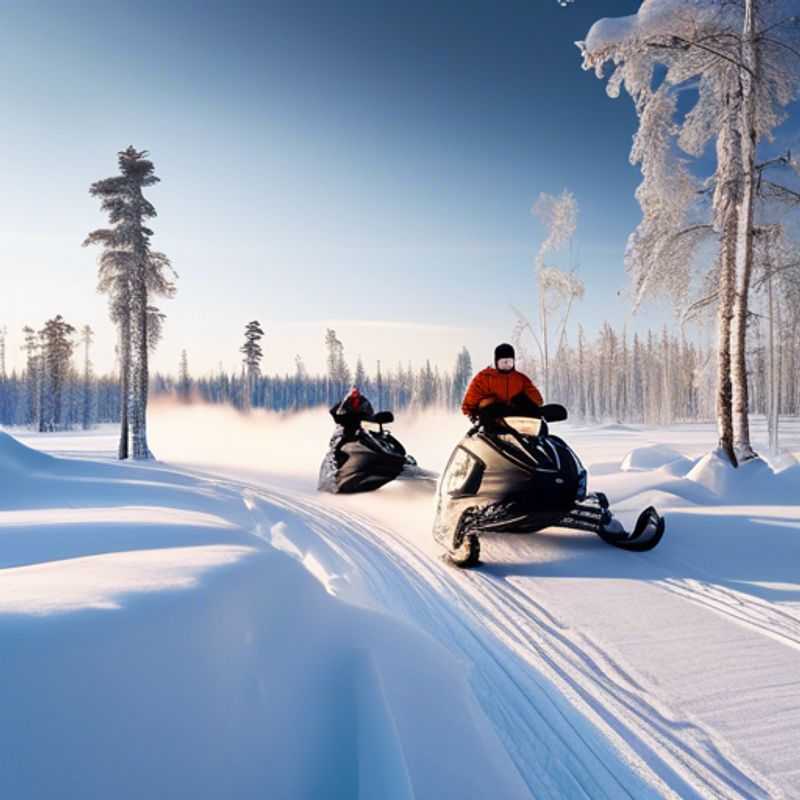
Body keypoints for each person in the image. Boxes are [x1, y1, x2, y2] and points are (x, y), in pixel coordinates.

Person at [461, 343, 543, 420]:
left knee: (522, 400)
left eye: (510, 362)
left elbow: (537, 399)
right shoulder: (485, 377)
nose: (507, 366)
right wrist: (471, 412)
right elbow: (472, 396)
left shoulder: (520, 379)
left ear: (514, 362)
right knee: (490, 403)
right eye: (503, 363)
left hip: (516, 418)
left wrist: (524, 401)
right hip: (493, 418)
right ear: (496, 362)